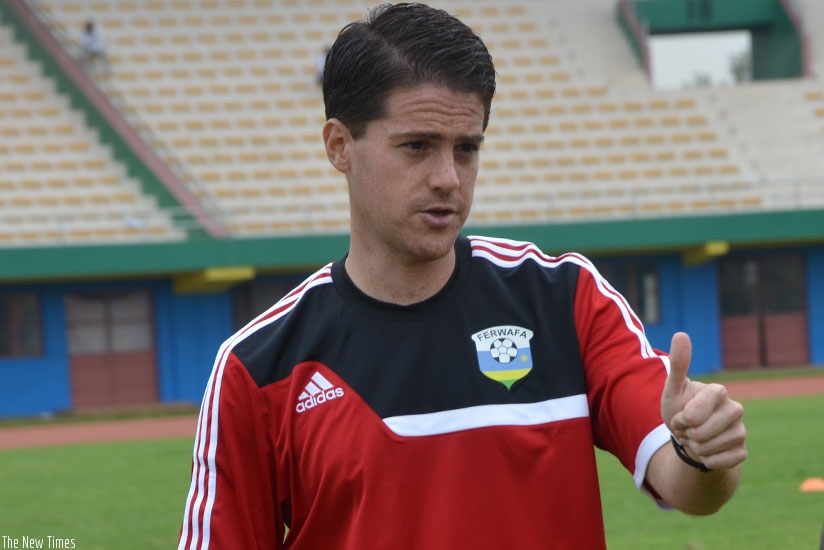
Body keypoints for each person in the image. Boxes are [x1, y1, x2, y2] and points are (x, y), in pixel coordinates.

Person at [177, 4, 747, 549]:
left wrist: (703, 451)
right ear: (339, 145)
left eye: (466, 148)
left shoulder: (563, 299)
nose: (448, 178)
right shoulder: (259, 369)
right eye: (417, 147)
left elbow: (686, 485)